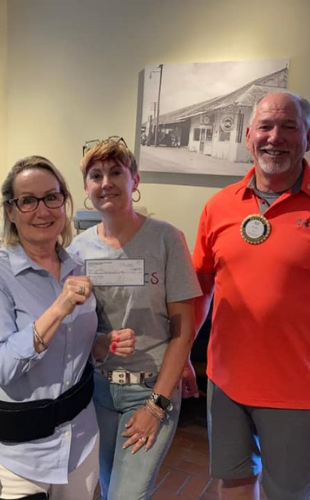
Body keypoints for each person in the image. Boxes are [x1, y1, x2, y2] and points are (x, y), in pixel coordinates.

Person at [193, 91, 310, 500]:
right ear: (248, 136)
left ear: (308, 137)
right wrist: (184, 358)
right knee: (234, 484)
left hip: (298, 392)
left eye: (288, 126)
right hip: (225, 384)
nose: (275, 137)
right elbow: (201, 289)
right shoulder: (219, 206)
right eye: (265, 126)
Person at [0, 155, 135, 500]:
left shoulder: (77, 266)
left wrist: (102, 344)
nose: (42, 210)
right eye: (27, 200)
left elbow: (75, 349)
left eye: (51, 197)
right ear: (11, 211)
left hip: (80, 441)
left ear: (64, 202)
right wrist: (57, 309)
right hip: (19, 453)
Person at [69, 137, 202, 500]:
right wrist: (101, 343)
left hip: (150, 389)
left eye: (116, 172)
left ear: (135, 180)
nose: (106, 183)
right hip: (98, 391)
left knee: (127, 495)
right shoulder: (77, 250)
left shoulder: (166, 239)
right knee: (109, 486)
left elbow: (183, 330)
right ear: (86, 188)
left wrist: (156, 406)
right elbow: (75, 328)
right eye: (96, 175)